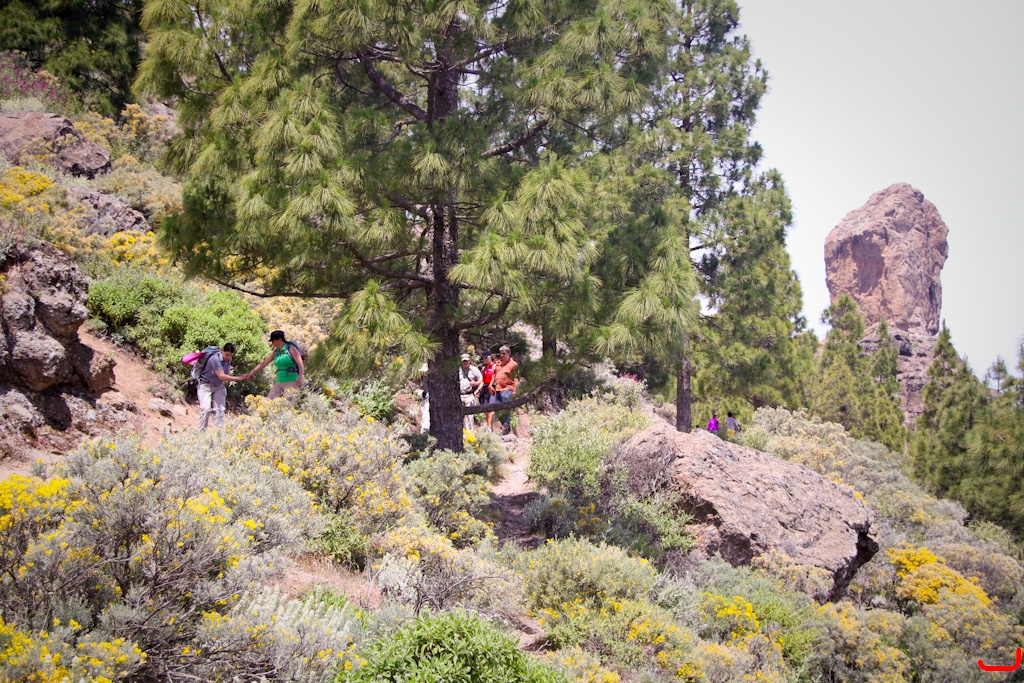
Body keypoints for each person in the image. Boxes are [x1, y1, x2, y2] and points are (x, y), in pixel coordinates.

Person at [197, 343, 249, 431]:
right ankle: (201, 433)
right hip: (205, 385)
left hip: (219, 386)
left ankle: (219, 433)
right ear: (222, 351)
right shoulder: (215, 359)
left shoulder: (228, 360)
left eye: (230, 355)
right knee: (205, 409)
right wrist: (239, 378)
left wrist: (241, 376)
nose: (228, 357)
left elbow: (226, 375)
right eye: (227, 354)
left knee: (220, 410)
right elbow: (221, 376)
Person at [249, 330, 305, 402]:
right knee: (269, 402)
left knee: (287, 405)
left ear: (280, 339)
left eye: (273, 340)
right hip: (279, 381)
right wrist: (253, 371)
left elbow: (300, 364)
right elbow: (264, 363)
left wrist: (300, 378)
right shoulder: (276, 352)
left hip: (292, 381)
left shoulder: (291, 349)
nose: (272, 343)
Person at [489, 345, 519, 435]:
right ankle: (505, 426)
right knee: (497, 408)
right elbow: (494, 375)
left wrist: (515, 390)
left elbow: (516, 378)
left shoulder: (513, 364)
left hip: (508, 388)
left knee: (505, 407)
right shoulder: (498, 363)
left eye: (503, 353)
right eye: (500, 353)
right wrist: (490, 385)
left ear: (508, 354)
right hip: (497, 388)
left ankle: (506, 427)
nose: (501, 355)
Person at [459, 353, 483, 431]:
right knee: (462, 416)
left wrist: (475, 384)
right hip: (460, 395)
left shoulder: (474, 369)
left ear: (469, 361)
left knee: (470, 415)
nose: (465, 363)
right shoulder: (458, 370)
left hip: (469, 395)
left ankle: (471, 432)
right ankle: (465, 432)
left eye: (466, 361)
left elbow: (481, 379)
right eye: (464, 361)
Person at [477, 351, 496, 432]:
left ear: (490, 357)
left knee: (491, 407)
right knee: (485, 408)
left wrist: (491, 386)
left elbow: (494, 377)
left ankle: (489, 427)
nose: (485, 360)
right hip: (485, 388)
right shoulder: (484, 368)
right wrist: (478, 389)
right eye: (484, 358)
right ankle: (488, 425)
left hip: (492, 388)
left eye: (487, 358)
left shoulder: (495, 366)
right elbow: (482, 380)